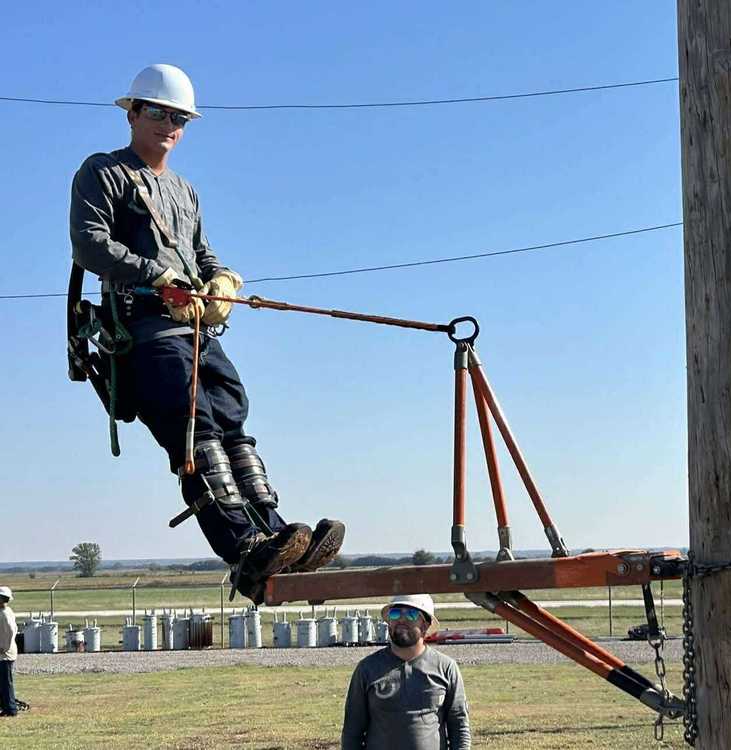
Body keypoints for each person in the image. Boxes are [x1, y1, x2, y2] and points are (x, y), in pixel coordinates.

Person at [69, 64, 345, 602]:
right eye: (157, 113)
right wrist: (156, 275)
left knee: (232, 418)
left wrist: (220, 278)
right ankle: (242, 547)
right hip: (143, 328)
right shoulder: (104, 173)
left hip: (194, 327)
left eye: (179, 118)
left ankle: (277, 533)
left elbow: (202, 254)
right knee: (196, 429)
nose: (169, 125)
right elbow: (89, 244)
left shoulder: (184, 191)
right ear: (132, 113)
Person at [342, 594, 471, 750]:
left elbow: (459, 727)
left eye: (411, 614)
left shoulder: (446, 668)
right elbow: (352, 731)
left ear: (425, 625)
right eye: (395, 614)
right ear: (388, 622)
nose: (401, 620)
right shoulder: (367, 669)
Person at [0, 586, 18, 717]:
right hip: (4, 652)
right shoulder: (7, 611)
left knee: (6, 682)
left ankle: (10, 709)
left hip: (4, 654)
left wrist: (3, 648)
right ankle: (5, 705)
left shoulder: (5, 614)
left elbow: (11, 631)